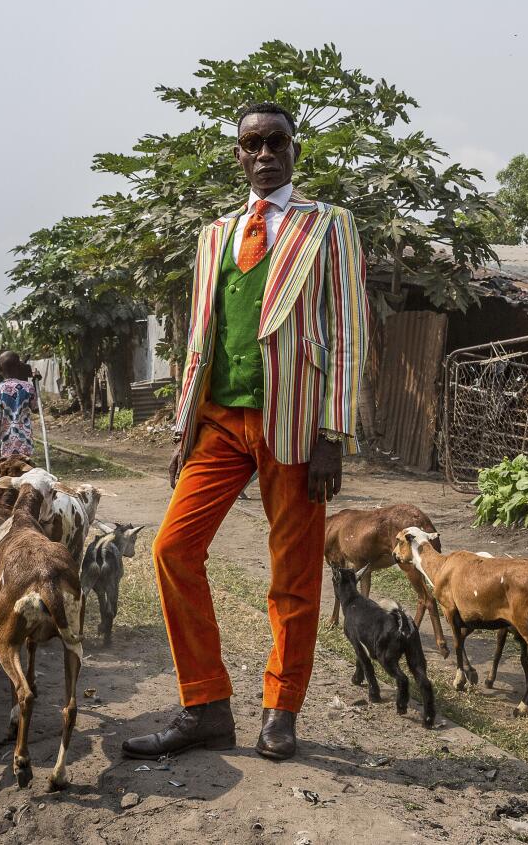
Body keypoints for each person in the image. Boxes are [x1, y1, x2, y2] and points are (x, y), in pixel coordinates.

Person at [123, 102, 368, 762]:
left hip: (293, 423)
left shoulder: (329, 227)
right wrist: (182, 428)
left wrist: (332, 433)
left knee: (292, 573)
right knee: (173, 548)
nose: (264, 154)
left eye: (276, 142)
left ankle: (280, 708)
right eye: (251, 144)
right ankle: (204, 703)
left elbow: (347, 336)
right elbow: (201, 337)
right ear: (237, 154)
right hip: (219, 422)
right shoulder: (214, 236)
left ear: (296, 148)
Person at [0, 351, 37, 459]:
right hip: (25, 443)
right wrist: (35, 383)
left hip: (4, 445)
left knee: (7, 474)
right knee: (25, 473)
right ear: (19, 366)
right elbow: (35, 408)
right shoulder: (28, 388)